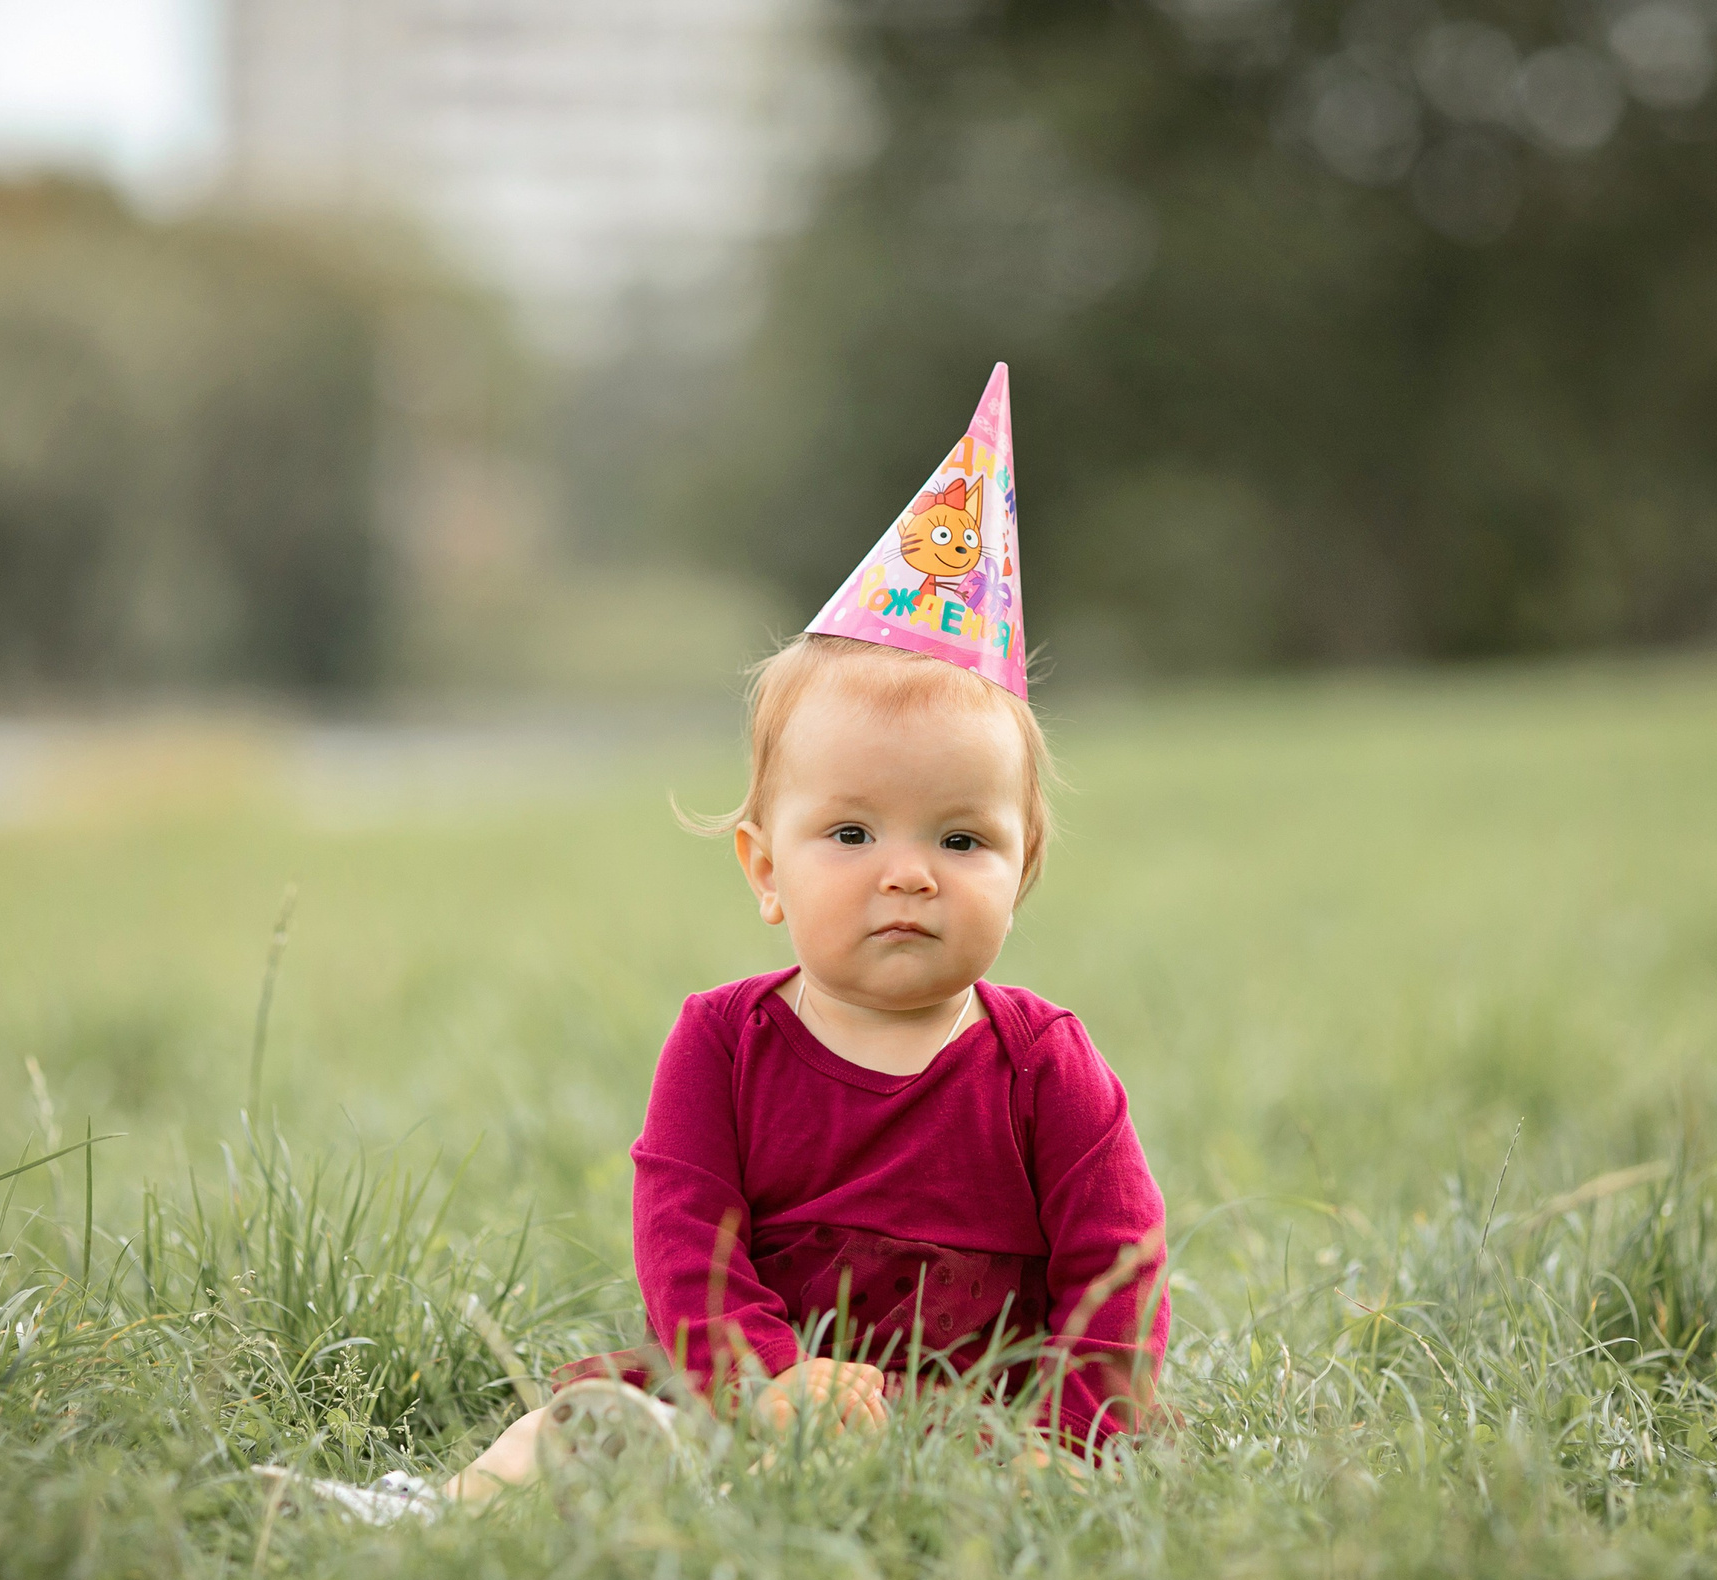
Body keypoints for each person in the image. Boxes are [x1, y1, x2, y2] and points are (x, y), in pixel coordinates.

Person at [438, 366, 1169, 1503]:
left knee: (969, 1491)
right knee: (583, 1426)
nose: (909, 876)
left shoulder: (1047, 1069)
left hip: (970, 1427)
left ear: (1023, 871)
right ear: (764, 868)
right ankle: (429, 1517)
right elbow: (687, 1242)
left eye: (963, 842)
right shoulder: (724, 1045)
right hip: (744, 1402)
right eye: (851, 832)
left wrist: (1071, 1448)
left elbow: (1114, 1272)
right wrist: (765, 1381)